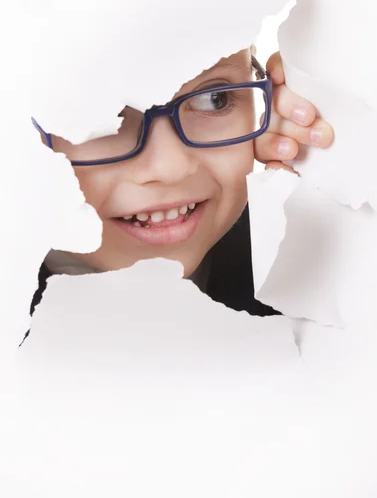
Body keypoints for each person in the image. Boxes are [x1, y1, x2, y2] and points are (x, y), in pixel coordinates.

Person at [31, 49, 333, 317]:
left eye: (214, 99)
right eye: (100, 115)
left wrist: (340, 197)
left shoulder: (307, 271)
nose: (171, 167)